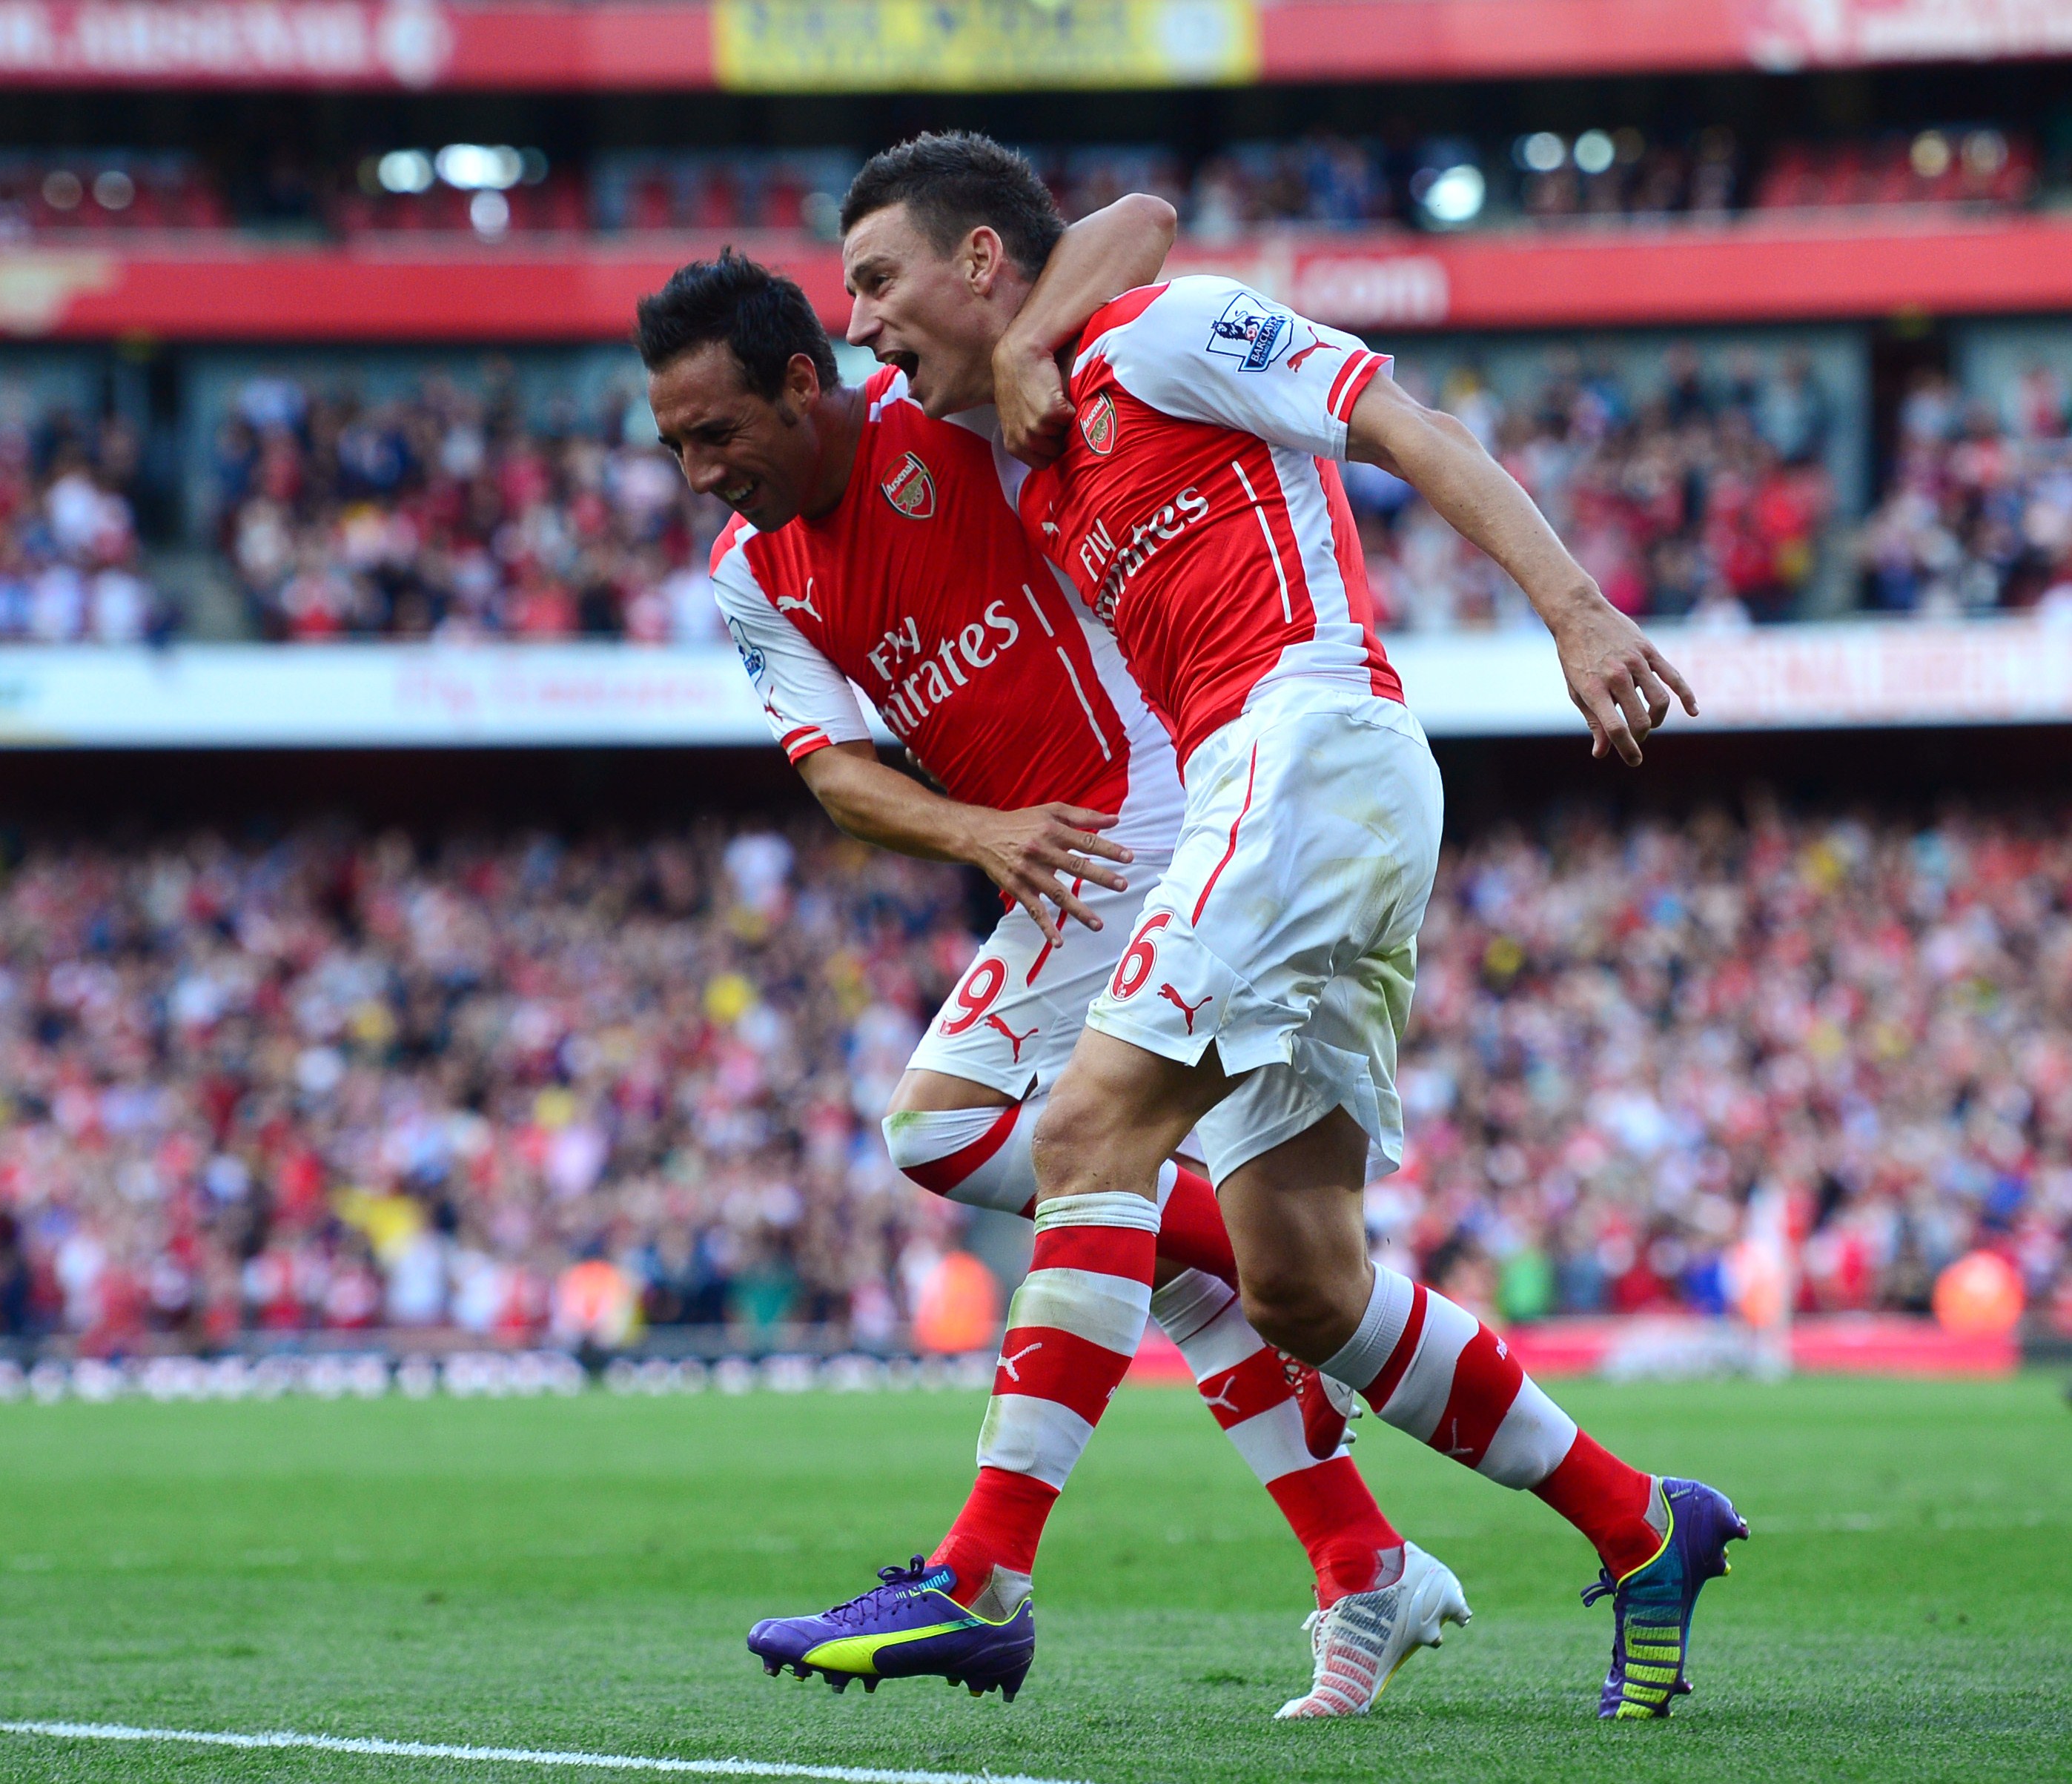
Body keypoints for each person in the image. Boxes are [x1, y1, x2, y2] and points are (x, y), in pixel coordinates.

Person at [827, 130, 1745, 1722]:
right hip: (1291, 795)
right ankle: (1637, 1515)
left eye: (875, 281)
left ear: (981, 265)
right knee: (1299, 1288)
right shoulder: (1026, 451)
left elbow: (1399, 421)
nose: (858, 324)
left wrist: (1573, 606)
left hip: (1302, 742)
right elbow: (1094, 239)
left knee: (1090, 1126)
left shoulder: (1164, 333)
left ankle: (975, 1573)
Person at [637, 233, 1470, 1719]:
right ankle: (1365, 1547)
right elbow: (831, 770)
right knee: (1066, 1187)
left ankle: (984, 1572)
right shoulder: (747, 571)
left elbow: (1129, 225)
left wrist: (1027, 346)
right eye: (672, 446)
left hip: (1156, 804)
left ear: (800, 382)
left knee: (993, 1139)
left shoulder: (939, 409)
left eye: (716, 432)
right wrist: (975, 827)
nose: (699, 470)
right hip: (1050, 853)